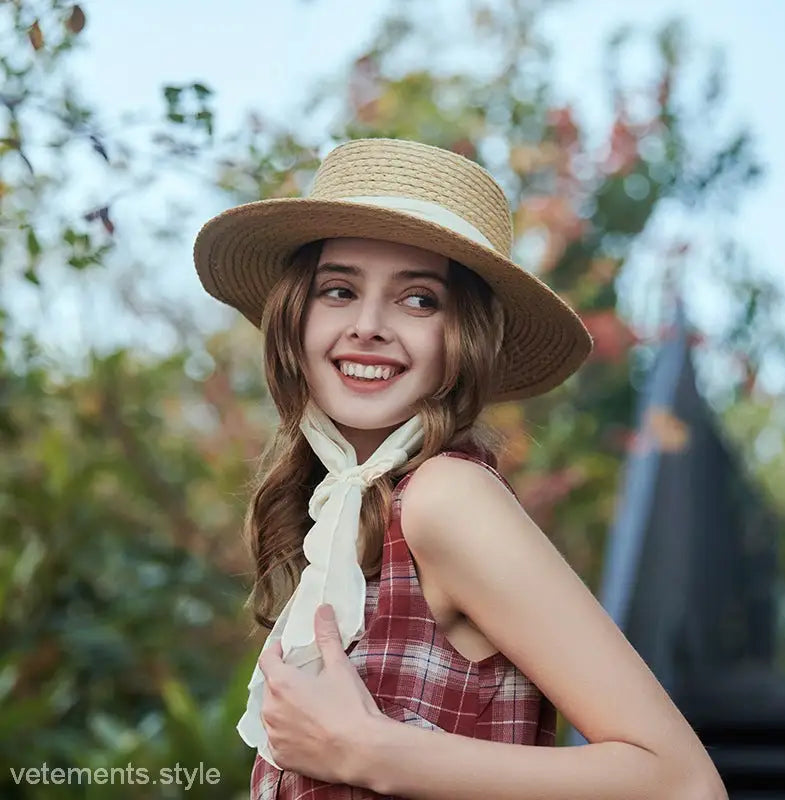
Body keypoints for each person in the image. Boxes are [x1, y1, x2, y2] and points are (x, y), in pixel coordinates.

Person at [193, 138, 727, 800]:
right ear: (296, 318)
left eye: (419, 300)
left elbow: (681, 783)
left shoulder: (446, 497)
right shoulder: (351, 511)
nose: (369, 326)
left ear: (462, 339)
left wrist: (369, 751)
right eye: (338, 290)